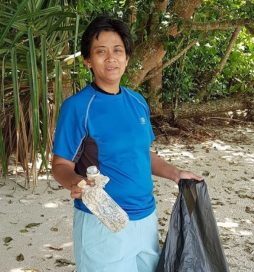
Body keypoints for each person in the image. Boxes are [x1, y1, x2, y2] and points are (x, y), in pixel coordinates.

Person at [51, 15, 202, 271]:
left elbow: (143, 154)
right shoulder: (78, 107)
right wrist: (75, 182)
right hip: (103, 220)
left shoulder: (137, 102)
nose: (111, 58)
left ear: (127, 57)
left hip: (146, 217)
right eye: (101, 52)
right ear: (88, 60)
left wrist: (176, 174)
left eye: (118, 50)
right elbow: (60, 165)